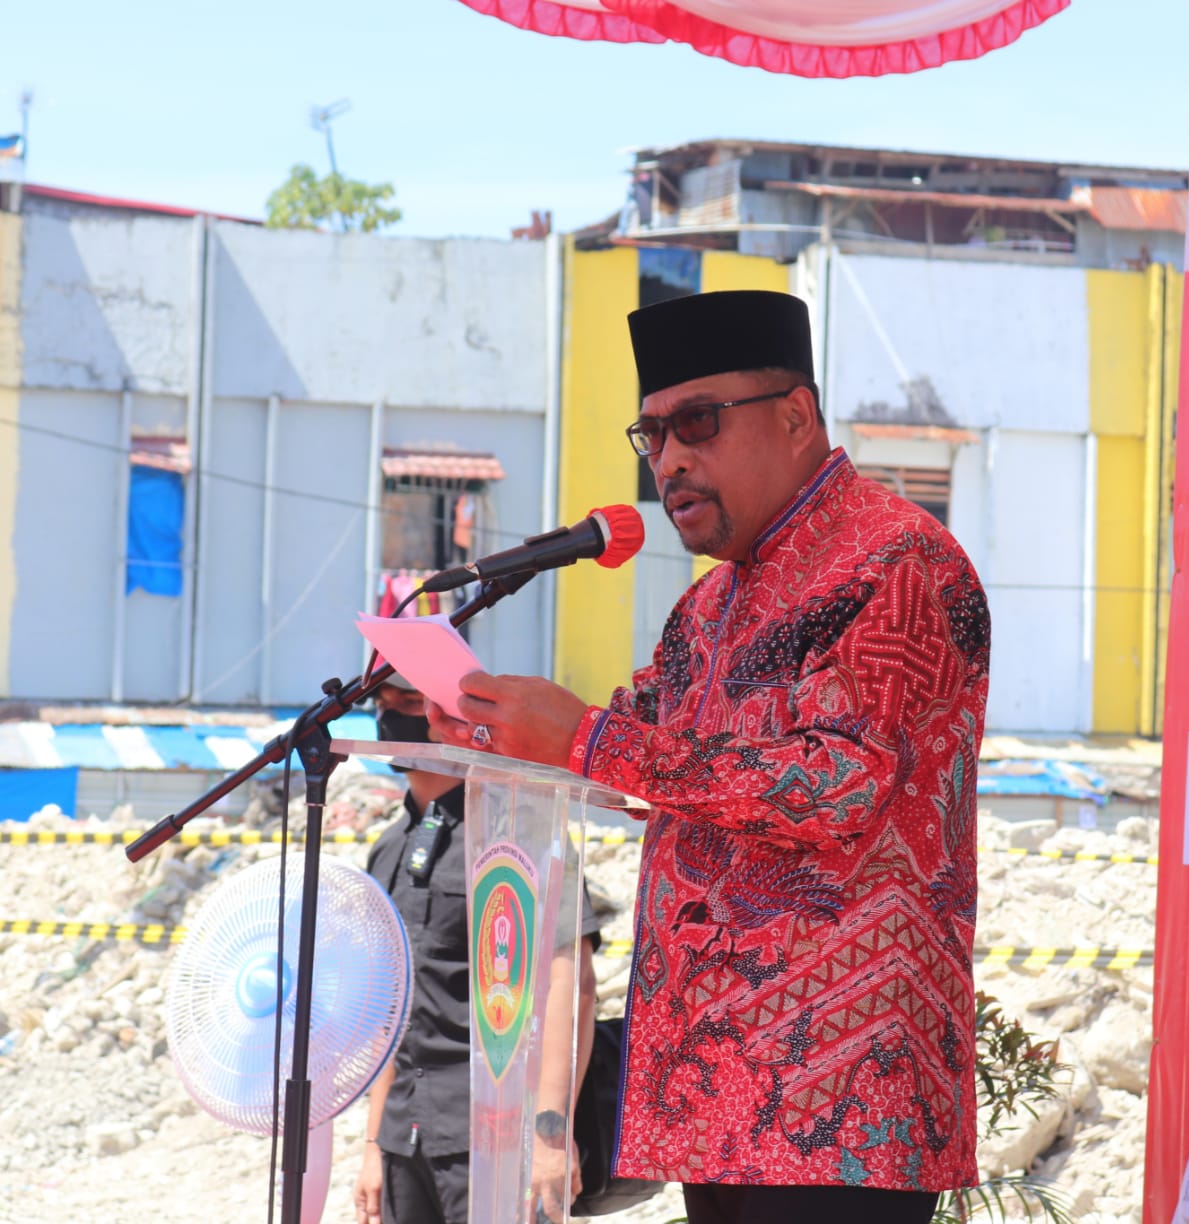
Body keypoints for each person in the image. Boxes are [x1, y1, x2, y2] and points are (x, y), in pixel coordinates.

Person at [426, 289, 992, 1224]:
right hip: (714, 1101)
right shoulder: (708, 607)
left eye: (696, 423)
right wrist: (492, 728)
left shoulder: (897, 562)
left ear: (796, 415)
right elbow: (636, 750)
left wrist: (584, 736)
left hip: (839, 1106)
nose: (669, 460)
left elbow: (838, 786)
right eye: (651, 435)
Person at [354, 673, 600, 1224]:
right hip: (403, 1137)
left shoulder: (519, 830)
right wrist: (373, 1146)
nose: (391, 713)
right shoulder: (389, 847)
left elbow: (569, 981)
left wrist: (551, 1133)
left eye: (410, 699)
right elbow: (388, 1010)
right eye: (382, 701)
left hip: (495, 1138)